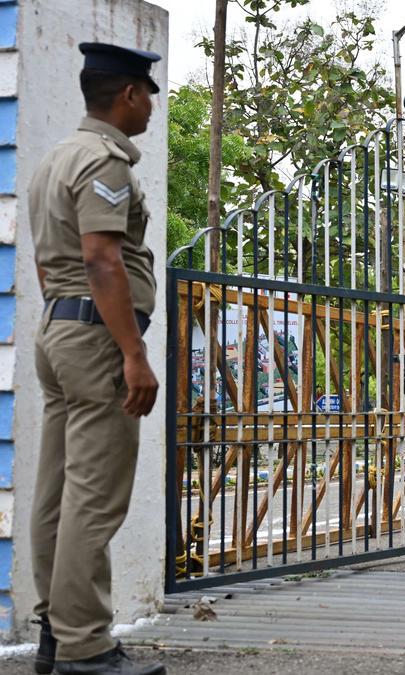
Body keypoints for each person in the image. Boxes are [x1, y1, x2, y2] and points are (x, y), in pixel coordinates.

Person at [27, 43, 165, 675]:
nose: (154, 105)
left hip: (58, 332)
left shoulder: (54, 160)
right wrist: (133, 355)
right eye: (149, 92)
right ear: (127, 94)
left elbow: (45, 260)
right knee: (95, 496)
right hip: (98, 341)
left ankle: (56, 632)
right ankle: (86, 646)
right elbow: (101, 259)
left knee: (57, 489)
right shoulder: (105, 162)